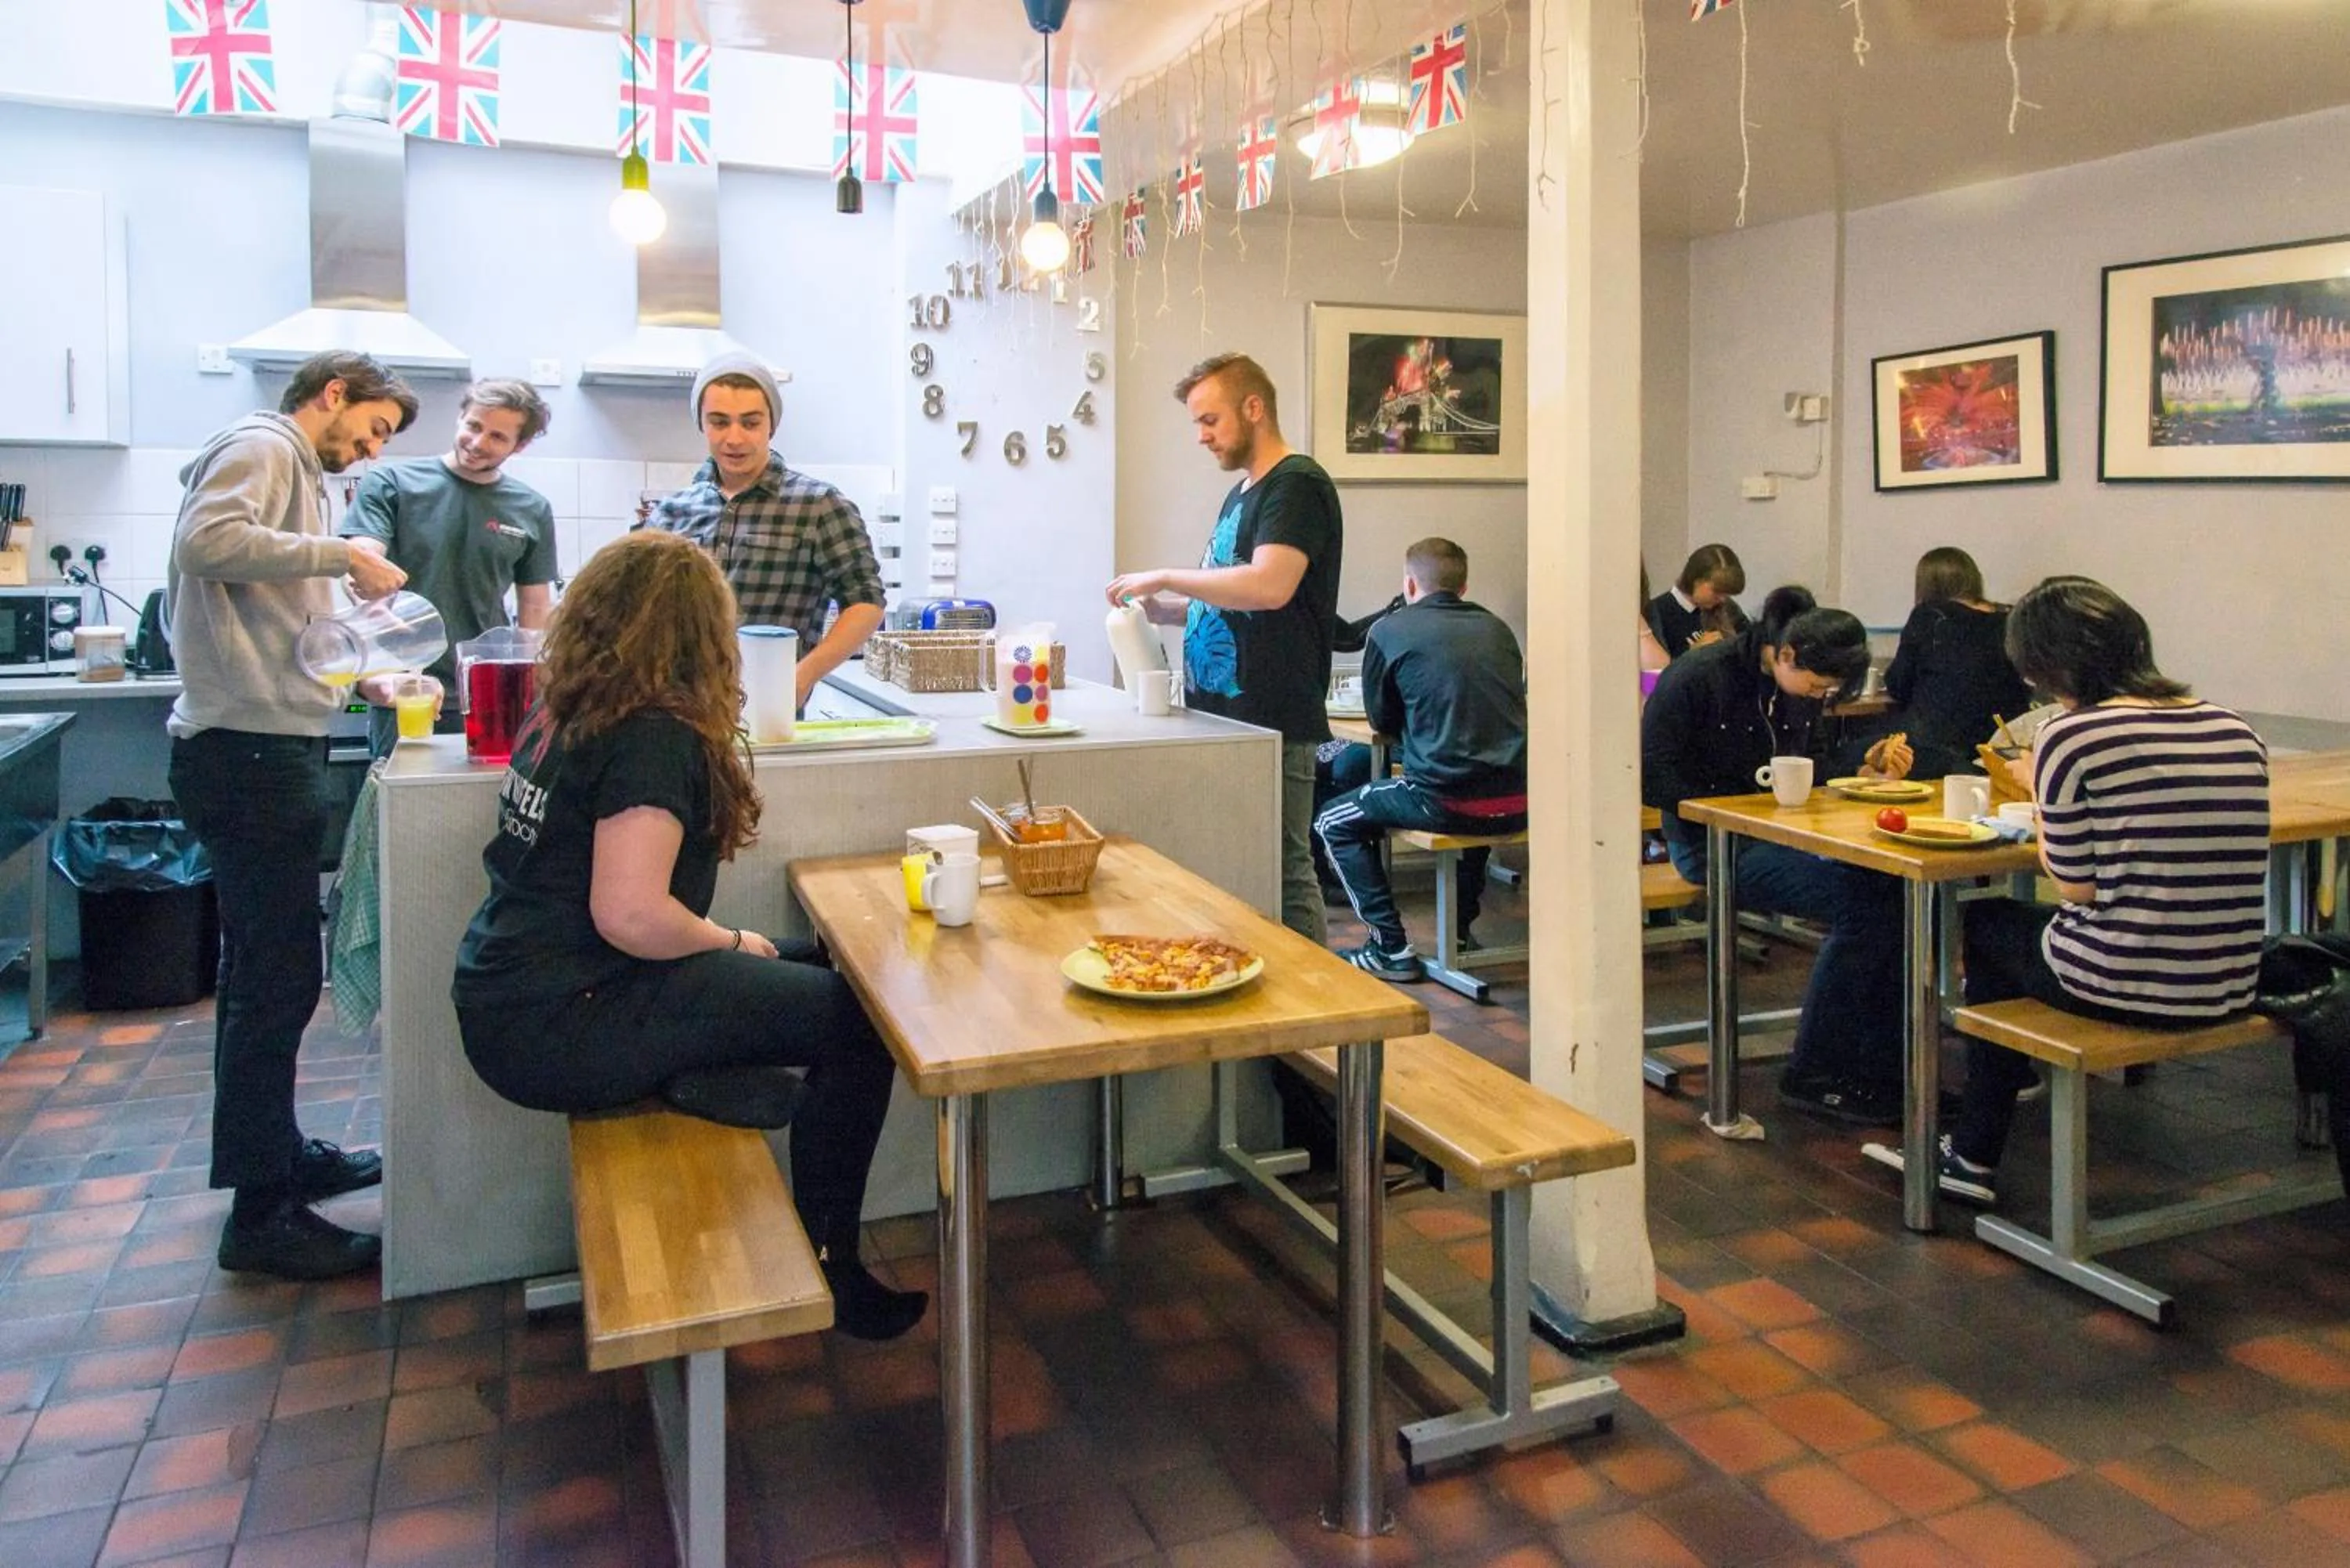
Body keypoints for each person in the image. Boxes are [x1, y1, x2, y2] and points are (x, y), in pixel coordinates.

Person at [450, 530, 925, 1340]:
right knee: (858, 1022)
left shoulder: (569, 705)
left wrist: (739, 951)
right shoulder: (652, 734)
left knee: (827, 970)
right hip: (575, 1013)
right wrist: (736, 943)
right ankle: (833, 1265)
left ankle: (697, 1068)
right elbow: (631, 914)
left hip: (518, 990)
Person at [1875, 576, 2269, 1205]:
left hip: (2126, 983)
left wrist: (2040, 787)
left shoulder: (2071, 736)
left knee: (1986, 924)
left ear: (2046, 664)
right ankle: (1996, 1108)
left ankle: (1973, 1152)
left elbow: (2077, 888)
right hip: (2230, 979)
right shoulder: (2232, 725)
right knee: (2018, 929)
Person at [167, 349, 418, 1279]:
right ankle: (261, 1214)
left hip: (266, 748)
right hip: (248, 758)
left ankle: (276, 1158)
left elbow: (283, 631)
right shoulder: (267, 446)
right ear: (334, 395)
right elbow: (205, 540)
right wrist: (339, 552)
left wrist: (366, 677)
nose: (370, 447)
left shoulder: (301, 478)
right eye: (374, 427)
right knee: (273, 982)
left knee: (271, 978)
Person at [1642, 585, 1918, 1122]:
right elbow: (1653, 776)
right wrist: (1742, 802)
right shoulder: (1699, 677)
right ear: (1786, 654)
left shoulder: (1797, 690)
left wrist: (1861, 771)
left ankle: (1880, 1066)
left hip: (1784, 836)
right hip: (1710, 844)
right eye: (1817, 687)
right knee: (1868, 904)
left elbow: (1812, 767)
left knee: (1896, 890)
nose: (1819, 699)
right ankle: (1815, 1070)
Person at [1105, 352, 1343, 941]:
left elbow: (1269, 586)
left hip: (1275, 717)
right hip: (1230, 716)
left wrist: (1166, 575)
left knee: (1287, 873)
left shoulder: (1297, 485)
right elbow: (1238, 596)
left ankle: (1311, 1016)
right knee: (1240, 870)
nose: (1201, 437)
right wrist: (1171, 611)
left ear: (1254, 408)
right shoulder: (1243, 492)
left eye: (1209, 420)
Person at [1314, 539, 1525, 979]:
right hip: (1519, 798)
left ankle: (1389, 947)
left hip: (1443, 798)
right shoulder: (1498, 629)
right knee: (1478, 786)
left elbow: (1381, 721)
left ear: (1409, 584)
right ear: (1463, 585)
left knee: (1332, 821)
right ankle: (1460, 934)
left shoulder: (1390, 632)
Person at [644, 352, 886, 710]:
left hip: (768, 709)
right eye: (720, 422)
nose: (734, 438)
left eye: (750, 422)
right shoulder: (671, 513)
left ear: (771, 425)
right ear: (702, 424)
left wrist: (803, 676)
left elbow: (866, 602)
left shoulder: (819, 505)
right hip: (676, 710)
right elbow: (642, 613)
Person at [342, 378, 559, 754]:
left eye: (497, 437)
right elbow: (361, 559)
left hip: (489, 692)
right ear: (460, 417)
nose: (477, 443)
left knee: (481, 808)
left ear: (519, 446)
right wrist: (361, 576)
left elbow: (536, 608)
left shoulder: (531, 509)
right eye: (473, 426)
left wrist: (536, 688)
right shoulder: (392, 483)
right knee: (403, 806)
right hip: (407, 689)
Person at [1881, 546, 2030, 780]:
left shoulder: (1928, 616)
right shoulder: (2011, 618)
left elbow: (1899, 683)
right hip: (2002, 744)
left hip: (1938, 745)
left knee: (1865, 749)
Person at [1646, 543, 1751, 659]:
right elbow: (1652, 675)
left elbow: (1752, 645)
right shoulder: (1656, 613)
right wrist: (1692, 654)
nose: (1722, 599)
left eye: (1726, 593)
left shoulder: (1728, 608)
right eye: (1717, 591)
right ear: (1695, 580)